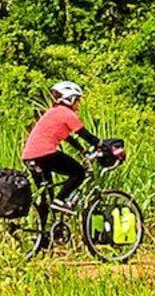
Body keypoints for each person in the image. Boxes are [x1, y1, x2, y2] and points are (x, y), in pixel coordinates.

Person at [21, 78, 116, 208]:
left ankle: (48, 225)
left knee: (47, 197)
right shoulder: (66, 113)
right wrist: (101, 145)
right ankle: (60, 200)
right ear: (70, 99)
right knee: (79, 173)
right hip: (45, 153)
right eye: (77, 100)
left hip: (29, 156)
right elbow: (85, 134)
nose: (78, 104)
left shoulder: (52, 113)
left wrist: (82, 150)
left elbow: (68, 138)